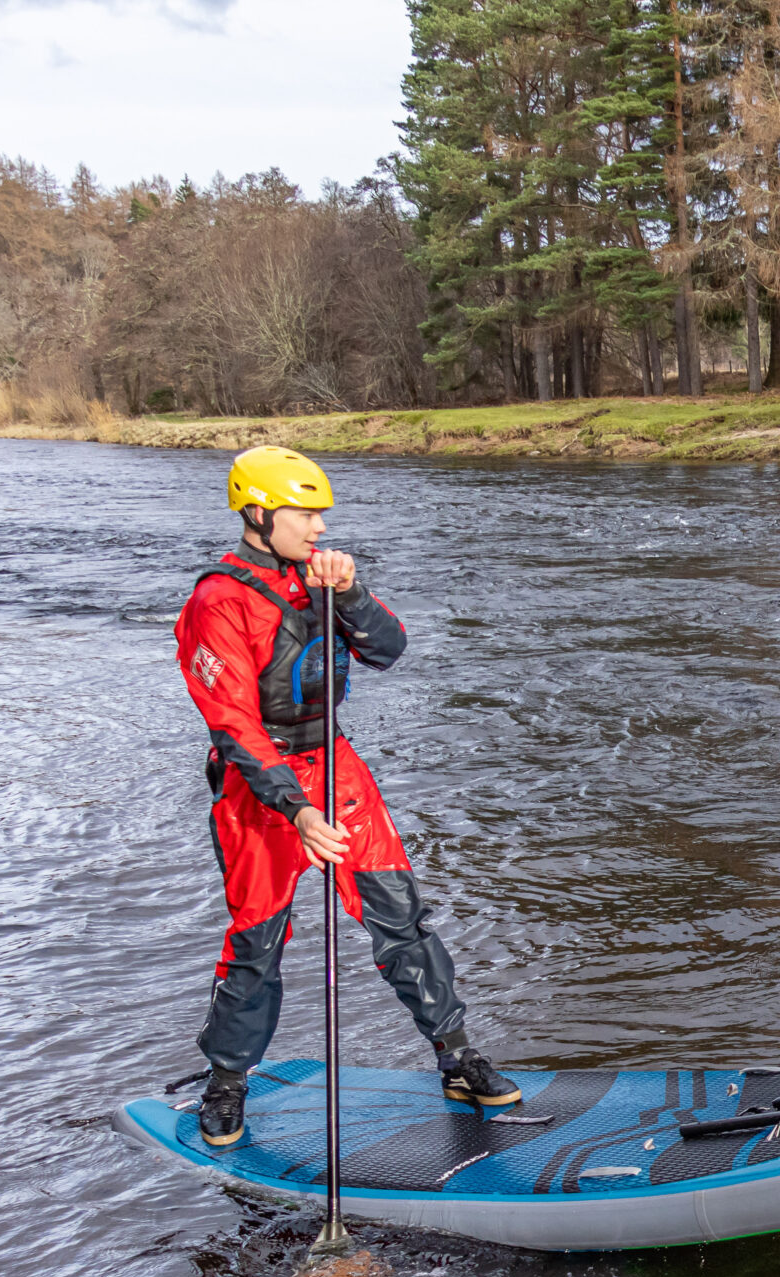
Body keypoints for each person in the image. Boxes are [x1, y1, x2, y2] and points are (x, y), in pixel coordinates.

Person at [174, 446, 521, 1146]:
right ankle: (227, 1082)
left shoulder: (323, 577)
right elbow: (234, 724)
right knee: (257, 939)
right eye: (306, 513)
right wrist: (295, 809)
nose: (321, 526)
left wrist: (351, 593)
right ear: (259, 514)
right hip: (258, 785)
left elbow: (389, 647)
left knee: (401, 914)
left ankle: (456, 1056)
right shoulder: (218, 600)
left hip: (332, 763)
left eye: (322, 512)